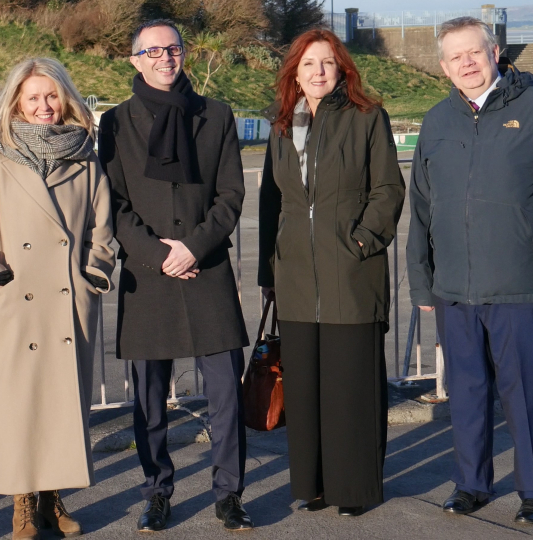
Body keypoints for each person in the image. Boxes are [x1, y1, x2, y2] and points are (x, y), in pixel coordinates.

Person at [98, 19, 252, 532]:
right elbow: (113, 203)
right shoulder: (116, 123)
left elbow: (231, 194)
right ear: (135, 60)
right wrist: (157, 253)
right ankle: (157, 492)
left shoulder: (217, 115)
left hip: (206, 268)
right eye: (154, 50)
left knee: (227, 393)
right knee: (148, 402)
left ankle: (229, 494)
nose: (166, 57)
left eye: (174, 48)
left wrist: (193, 247)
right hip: (149, 274)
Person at [0, 57, 114, 540]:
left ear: (64, 98)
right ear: (17, 104)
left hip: (67, 303)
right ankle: (22, 502)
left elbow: (103, 228)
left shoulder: (85, 156)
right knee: (19, 404)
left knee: (62, 403)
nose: (44, 106)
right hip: (15, 301)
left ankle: (53, 497)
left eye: (51, 96)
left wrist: (93, 273)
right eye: (33, 98)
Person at [258, 29, 404, 516]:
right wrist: (269, 270)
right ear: (294, 73)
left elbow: (388, 188)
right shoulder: (282, 126)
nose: (318, 72)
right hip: (296, 277)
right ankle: (314, 485)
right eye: (307, 65)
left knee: (351, 390)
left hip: (352, 276)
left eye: (326, 63)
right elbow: (272, 202)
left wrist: (361, 240)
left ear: (342, 68)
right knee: (307, 391)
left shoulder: (366, 118)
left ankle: (354, 490)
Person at [406, 17, 533, 524]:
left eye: (475, 52)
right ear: (443, 68)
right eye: (455, 57)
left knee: (524, 396)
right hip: (454, 288)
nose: (467, 63)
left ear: (495, 51)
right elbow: (420, 206)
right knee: (467, 392)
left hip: (518, 285)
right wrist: (422, 281)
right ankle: (471, 484)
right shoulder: (437, 121)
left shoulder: (528, 106)